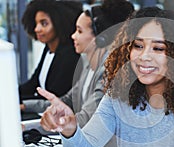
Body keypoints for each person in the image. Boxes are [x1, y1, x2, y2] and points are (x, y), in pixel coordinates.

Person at [39, 7, 174, 147]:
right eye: (138, 46)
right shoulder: (120, 94)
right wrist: (69, 128)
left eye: (158, 48)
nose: (144, 56)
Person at [20, 0, 134, 128]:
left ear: (100, 38)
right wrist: (26, 108)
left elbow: (86, 118)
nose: (73, 36)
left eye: (79, 31)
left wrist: (31, 127)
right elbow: (66, 101)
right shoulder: (88, 67)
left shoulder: (108, 72)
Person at [19, 0, 82, 102]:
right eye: (36, 23)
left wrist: (23, 104)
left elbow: (56, 94)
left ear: (59, 24)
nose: (37, 29)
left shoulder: (70, 55)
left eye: (44, 23)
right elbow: (33, 84)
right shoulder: (48, 49)